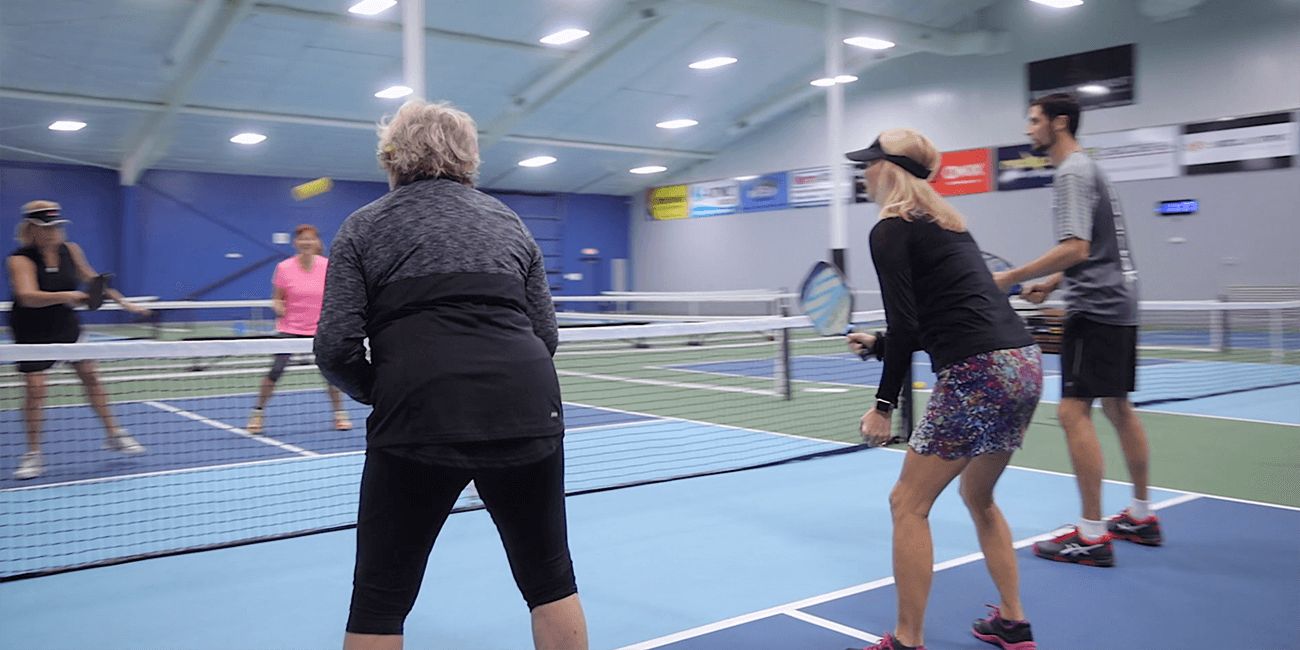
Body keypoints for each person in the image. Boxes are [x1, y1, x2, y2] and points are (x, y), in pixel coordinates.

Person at [314, 99, 587, 650]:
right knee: (550, 580)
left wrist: (387, 391)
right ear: (468, 160)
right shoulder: (510, 222)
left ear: (392, 157)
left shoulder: (362, 227)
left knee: (379, 601)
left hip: (417, 419)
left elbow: (335, 346)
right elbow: (546, 336)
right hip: (530, 411)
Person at [841, 129, 1043, 650]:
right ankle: (1013, 622)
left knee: (906, 503)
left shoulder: (889, 229)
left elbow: (911, 325)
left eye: (869, 164)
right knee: (978, 495)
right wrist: (882, 345)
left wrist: (883, 406)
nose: (863, 173)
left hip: (977, 373)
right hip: (1023, 365)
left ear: (888, 170)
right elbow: (938, 321)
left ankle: (907, 641)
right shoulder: (949, 227)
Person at [993, 93, 1161, 567]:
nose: (1028, 130)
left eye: (1034, 121)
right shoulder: (1091, 169)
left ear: (1059, 123)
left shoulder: (1070, 173)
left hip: (1097, 307)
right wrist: (1051, 281)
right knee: (1118, 407)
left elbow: (1076, 247)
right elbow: (1096, 246)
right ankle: (1143, 517)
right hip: (1121, 300)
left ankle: (1091, 536)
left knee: (1071, 413)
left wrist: (1011, 277)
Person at [6, 201, 152, 480]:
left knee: (91, 377)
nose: (53, 232)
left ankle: (114, 434)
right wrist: (68, 296)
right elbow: (26, 296)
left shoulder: (71, 250)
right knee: (36, 392)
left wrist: (125, 303)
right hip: (32, 331)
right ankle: (33, 454)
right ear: (31, 229)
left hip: (66, 325)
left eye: (56, 226)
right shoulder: (20, 259)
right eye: (45, 227)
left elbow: (93, 280)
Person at [245, 224, 351, 434]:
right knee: (275, 372)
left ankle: (339, 414)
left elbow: (336, 295)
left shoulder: (328, 266)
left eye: (311, 239)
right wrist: (278, 305)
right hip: (290, 330)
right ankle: (258, 413)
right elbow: (277, 298)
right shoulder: (284, 268)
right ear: (296, 243)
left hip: (320, 330)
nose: (306, 242)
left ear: (317, 243)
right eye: (302, 239)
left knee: (331, 375)